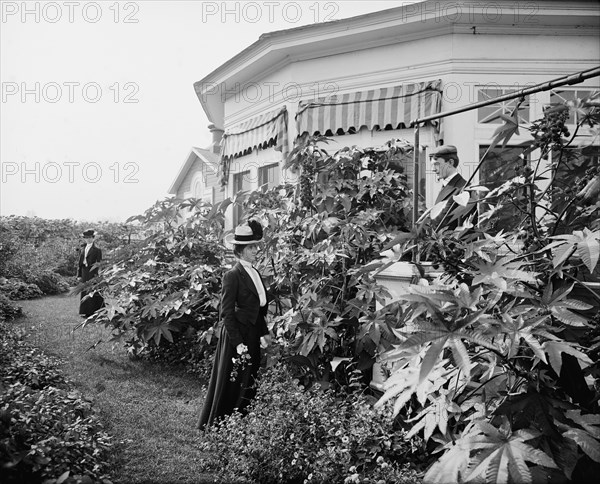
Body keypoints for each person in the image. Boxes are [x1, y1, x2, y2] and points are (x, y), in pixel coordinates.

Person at [198, 219, 272, 430]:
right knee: (233, 382)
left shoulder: (255, 273)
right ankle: (221, 426)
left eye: (256, 246)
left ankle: (241, 424)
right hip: (236, 338)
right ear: (240, 251)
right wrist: (238, 343)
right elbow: (226, 313)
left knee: (249, 380)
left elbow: (258, 309)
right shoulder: (232, 276)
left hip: (252, 335)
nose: (256, 250)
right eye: (251, 247)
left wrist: (264, 333)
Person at [429, 145, 475, 229]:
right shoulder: (446, 186)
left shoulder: (464, 189)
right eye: (432, 165)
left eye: (436, 164)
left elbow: (465, 230)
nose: (433, 169)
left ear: (450, 162)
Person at [77, 229, 104, 317]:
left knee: (93, 291)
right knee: (85, 291)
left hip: (93, 272)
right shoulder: (83, 248)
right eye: (87, 238)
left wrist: (98, 275)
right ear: (84, 238)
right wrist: (79, 275)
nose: (88, 239)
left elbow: (99, 263)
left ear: (93, 238)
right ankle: (86, 311)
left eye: (90, 238)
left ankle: (95, 312)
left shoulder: (97, 250)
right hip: (84, 272)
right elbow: (80, 263)